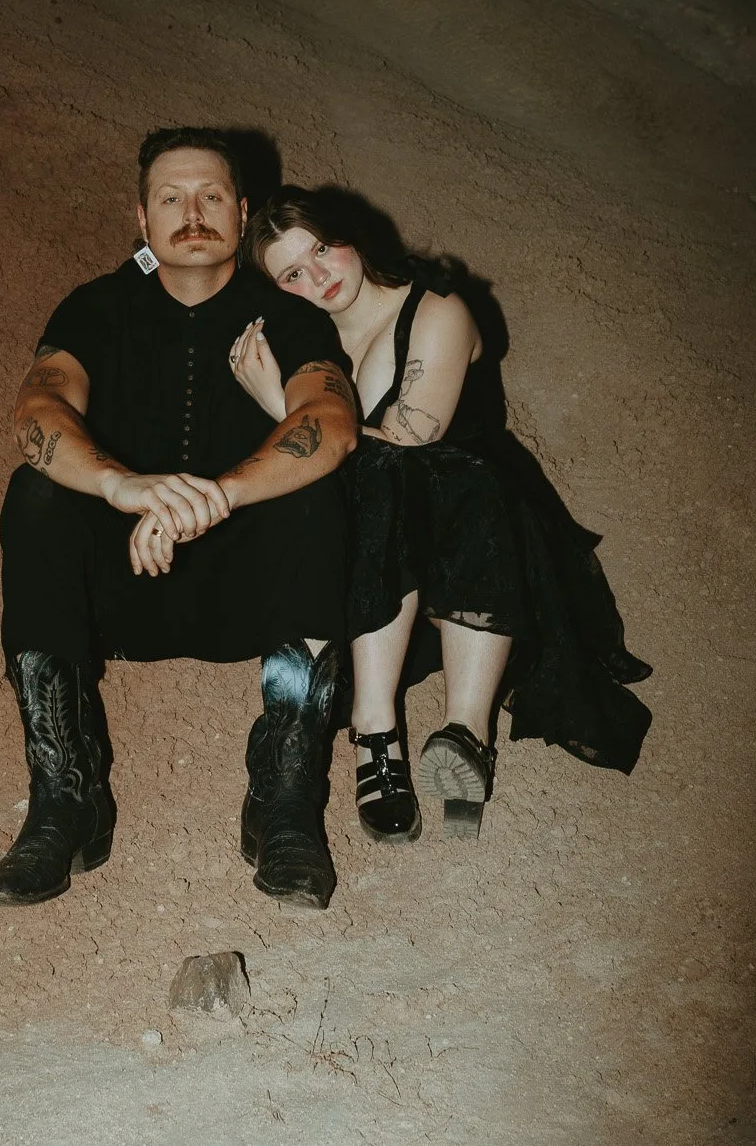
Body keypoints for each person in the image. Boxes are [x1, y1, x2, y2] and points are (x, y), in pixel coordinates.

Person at [0, 131, 358, 913]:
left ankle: (285, 801)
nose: (192, 214)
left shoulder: (282, 312)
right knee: (37, 494)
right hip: (123, 583)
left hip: (251, 590)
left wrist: (217, 496)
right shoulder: (97, 304)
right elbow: (37, 410)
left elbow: (329, 419)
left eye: (212, 196)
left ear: (242, 209)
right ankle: (65, 797)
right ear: (142, 216)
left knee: (317, 490)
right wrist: (124, 488)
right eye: (170, 198)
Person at [236, 186, 652, 843]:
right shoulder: (300, 337)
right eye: (292, 272)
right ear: (277, 288)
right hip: (378, 562)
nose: (317, 275)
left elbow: (409, 438)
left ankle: (466, 731)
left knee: (422, 474)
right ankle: (377, 736)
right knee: (370, 488)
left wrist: (278, 409)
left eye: (322, 248)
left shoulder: (435, 308)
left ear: (350, 237)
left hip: (481, 536)